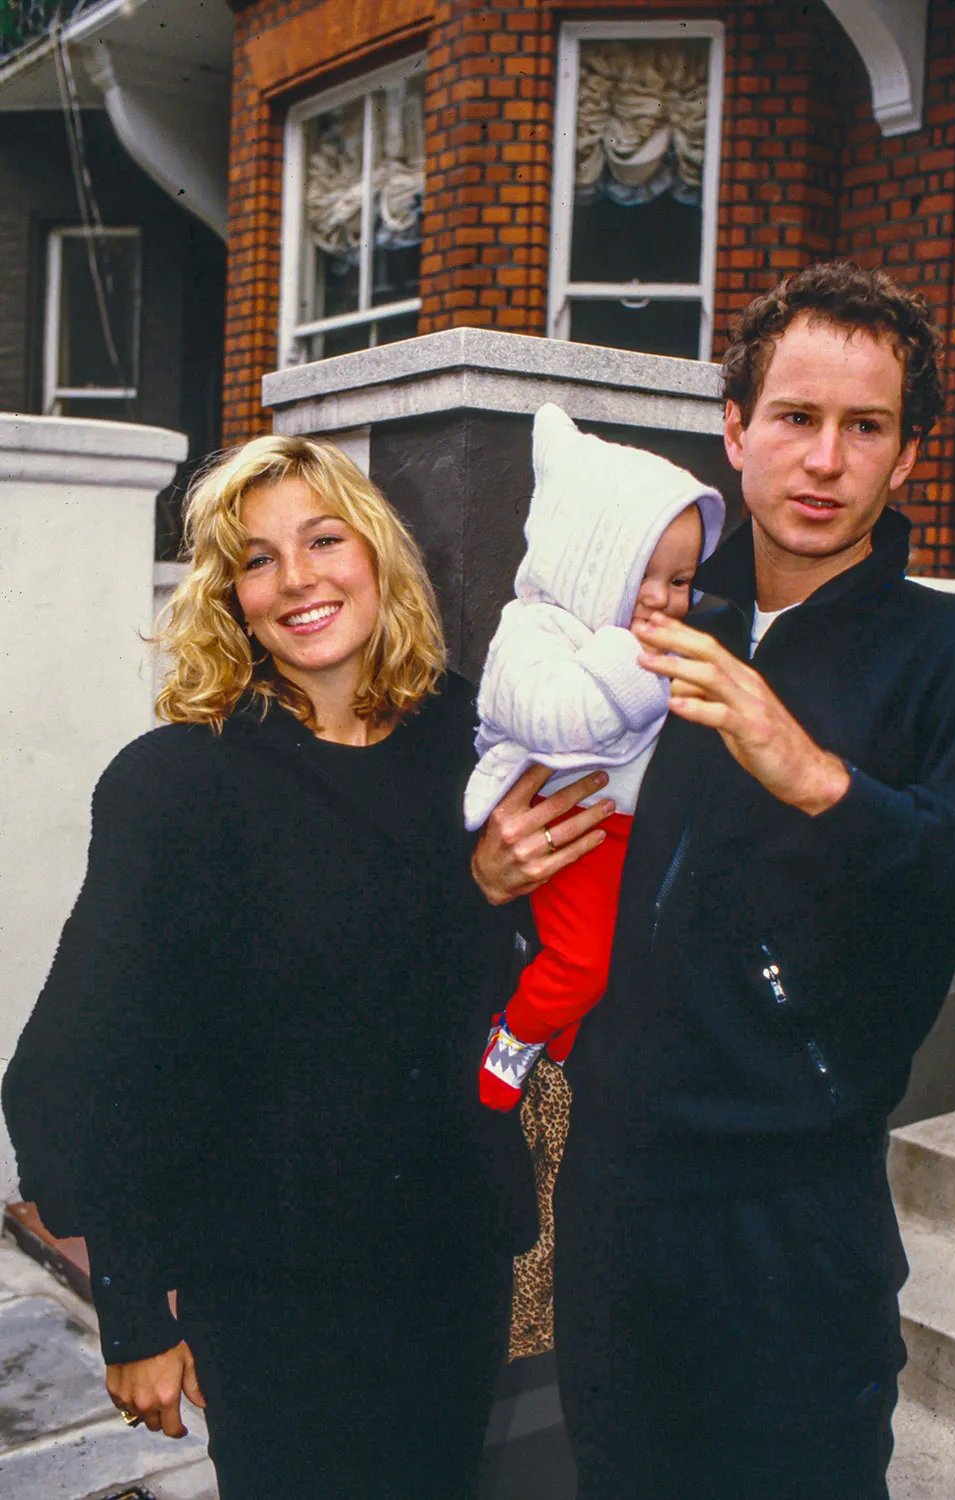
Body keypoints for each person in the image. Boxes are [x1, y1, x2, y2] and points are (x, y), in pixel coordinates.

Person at [472, 262, 955, 1498]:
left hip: (793, 1228)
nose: (824, 459)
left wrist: (824, 784)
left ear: (906, 461)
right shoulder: (650, 618)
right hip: (611, 1209)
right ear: (734, 431)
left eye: (866, 428)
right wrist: (485, 869)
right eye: (794, 417)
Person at [1, 434, 546, 1499]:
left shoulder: (471, 746)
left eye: (323, 539)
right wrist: (129, 1306)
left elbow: (482, 994)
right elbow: (79, 1063)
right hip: (270, 1289)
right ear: (229, 595)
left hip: (446, 1264)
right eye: (257, 558)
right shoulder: (176, 785)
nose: (296, 579)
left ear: (379, 556)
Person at [465, 402, 723, 1109]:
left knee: (622, 960)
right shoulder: (535, 629)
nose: (665, 599)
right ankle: (514, 1037)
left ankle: (559, 1025)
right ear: (592, 562)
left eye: (680, 580)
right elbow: (559, 719)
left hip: (619, 827)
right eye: (646, 573)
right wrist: (636, 662)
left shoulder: (654, 640)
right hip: (563, 823)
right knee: (583, 965)